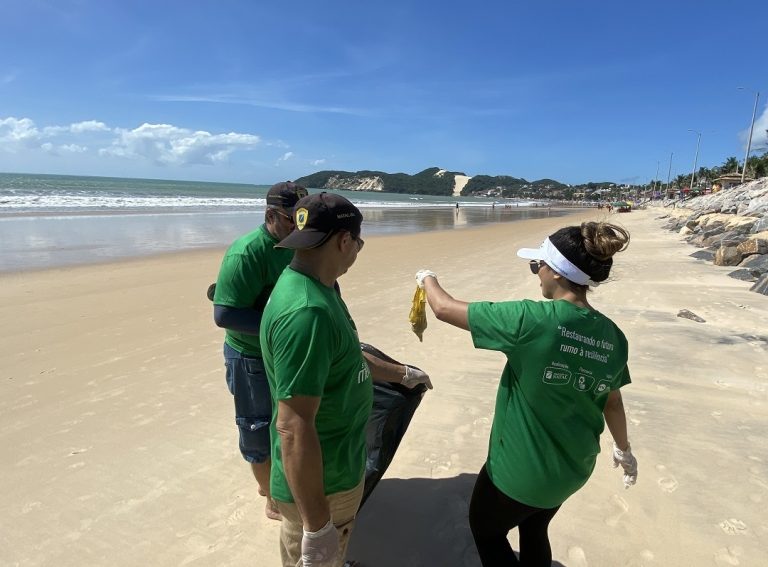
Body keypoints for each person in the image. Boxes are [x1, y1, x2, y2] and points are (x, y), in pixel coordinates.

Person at [415, 221, 638, 566]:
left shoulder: (530, 320)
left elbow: (444, 308)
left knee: (486, 531)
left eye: (538, 265)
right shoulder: (614, 337)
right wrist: (624, 450)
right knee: (535, 527)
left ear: (557, 273)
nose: (536, 274)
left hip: (519, 473)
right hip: (572, 469)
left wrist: (426, 277)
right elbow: (612, 400)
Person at [261, 192, 430, 567]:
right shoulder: (308, 313)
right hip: (325, 480)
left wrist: (402, 375)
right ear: (343, 241)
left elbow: (349, 357)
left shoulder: (318, 287)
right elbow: (293, 426)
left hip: (338, 466)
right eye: (359, 243)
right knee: (319, 556)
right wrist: (317, 526)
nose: (357, 252)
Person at [212, 181, 308, 520]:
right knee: (256, 427)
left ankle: (275, 482)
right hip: (250, 356)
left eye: (304, 220)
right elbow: (224, 314)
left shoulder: (299, 245)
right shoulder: (247, 252)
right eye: (292, 219)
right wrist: (280, 328)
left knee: (288, 424)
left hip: (284, 353)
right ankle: (270, 495)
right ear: (271, 215)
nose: (300, 228)